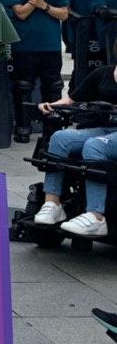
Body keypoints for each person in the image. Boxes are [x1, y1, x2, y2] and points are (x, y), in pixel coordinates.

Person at [31, 64, 117, 237]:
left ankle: (96, 216)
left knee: (95, 145)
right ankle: (53, 204)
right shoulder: (105, 72)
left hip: (106, 137)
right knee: (60, 138)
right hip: (104, 128)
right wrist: (50, 105)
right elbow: (71, 100)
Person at [2, 0, 69, 144]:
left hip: (50, 45)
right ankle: (23, 127)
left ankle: (53, 129)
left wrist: (45, 6)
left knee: (53, 87)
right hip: (25, 45)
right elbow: (20, 13)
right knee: (23, 87)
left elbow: (64, 14)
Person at [68, 0, 112, 88]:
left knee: (106, 70)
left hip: (105, 34)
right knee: (81, 71)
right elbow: (65, 7)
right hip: (81, 34)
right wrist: (78, 18)